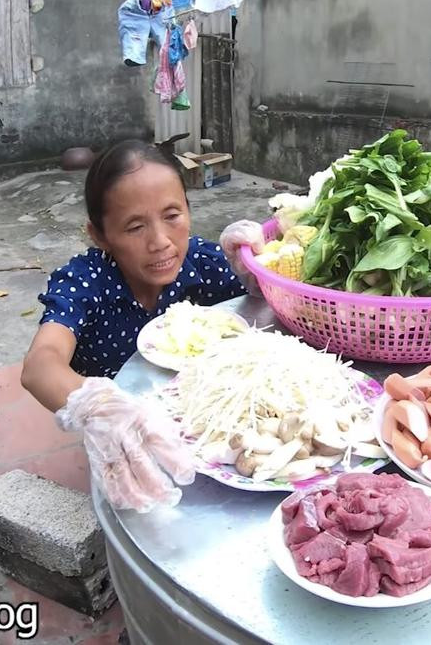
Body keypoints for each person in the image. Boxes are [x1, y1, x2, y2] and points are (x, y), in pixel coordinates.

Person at [20, 139, 265, 512]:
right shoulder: (85, 282)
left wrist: (257, 271)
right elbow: (41, 365)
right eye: (135, 227)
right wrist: (99, 409)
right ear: (100, 235)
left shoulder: (198, 261)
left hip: (197, 417)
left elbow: (264, 302)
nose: (161, 242)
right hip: (119, 436)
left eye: (172, 215)